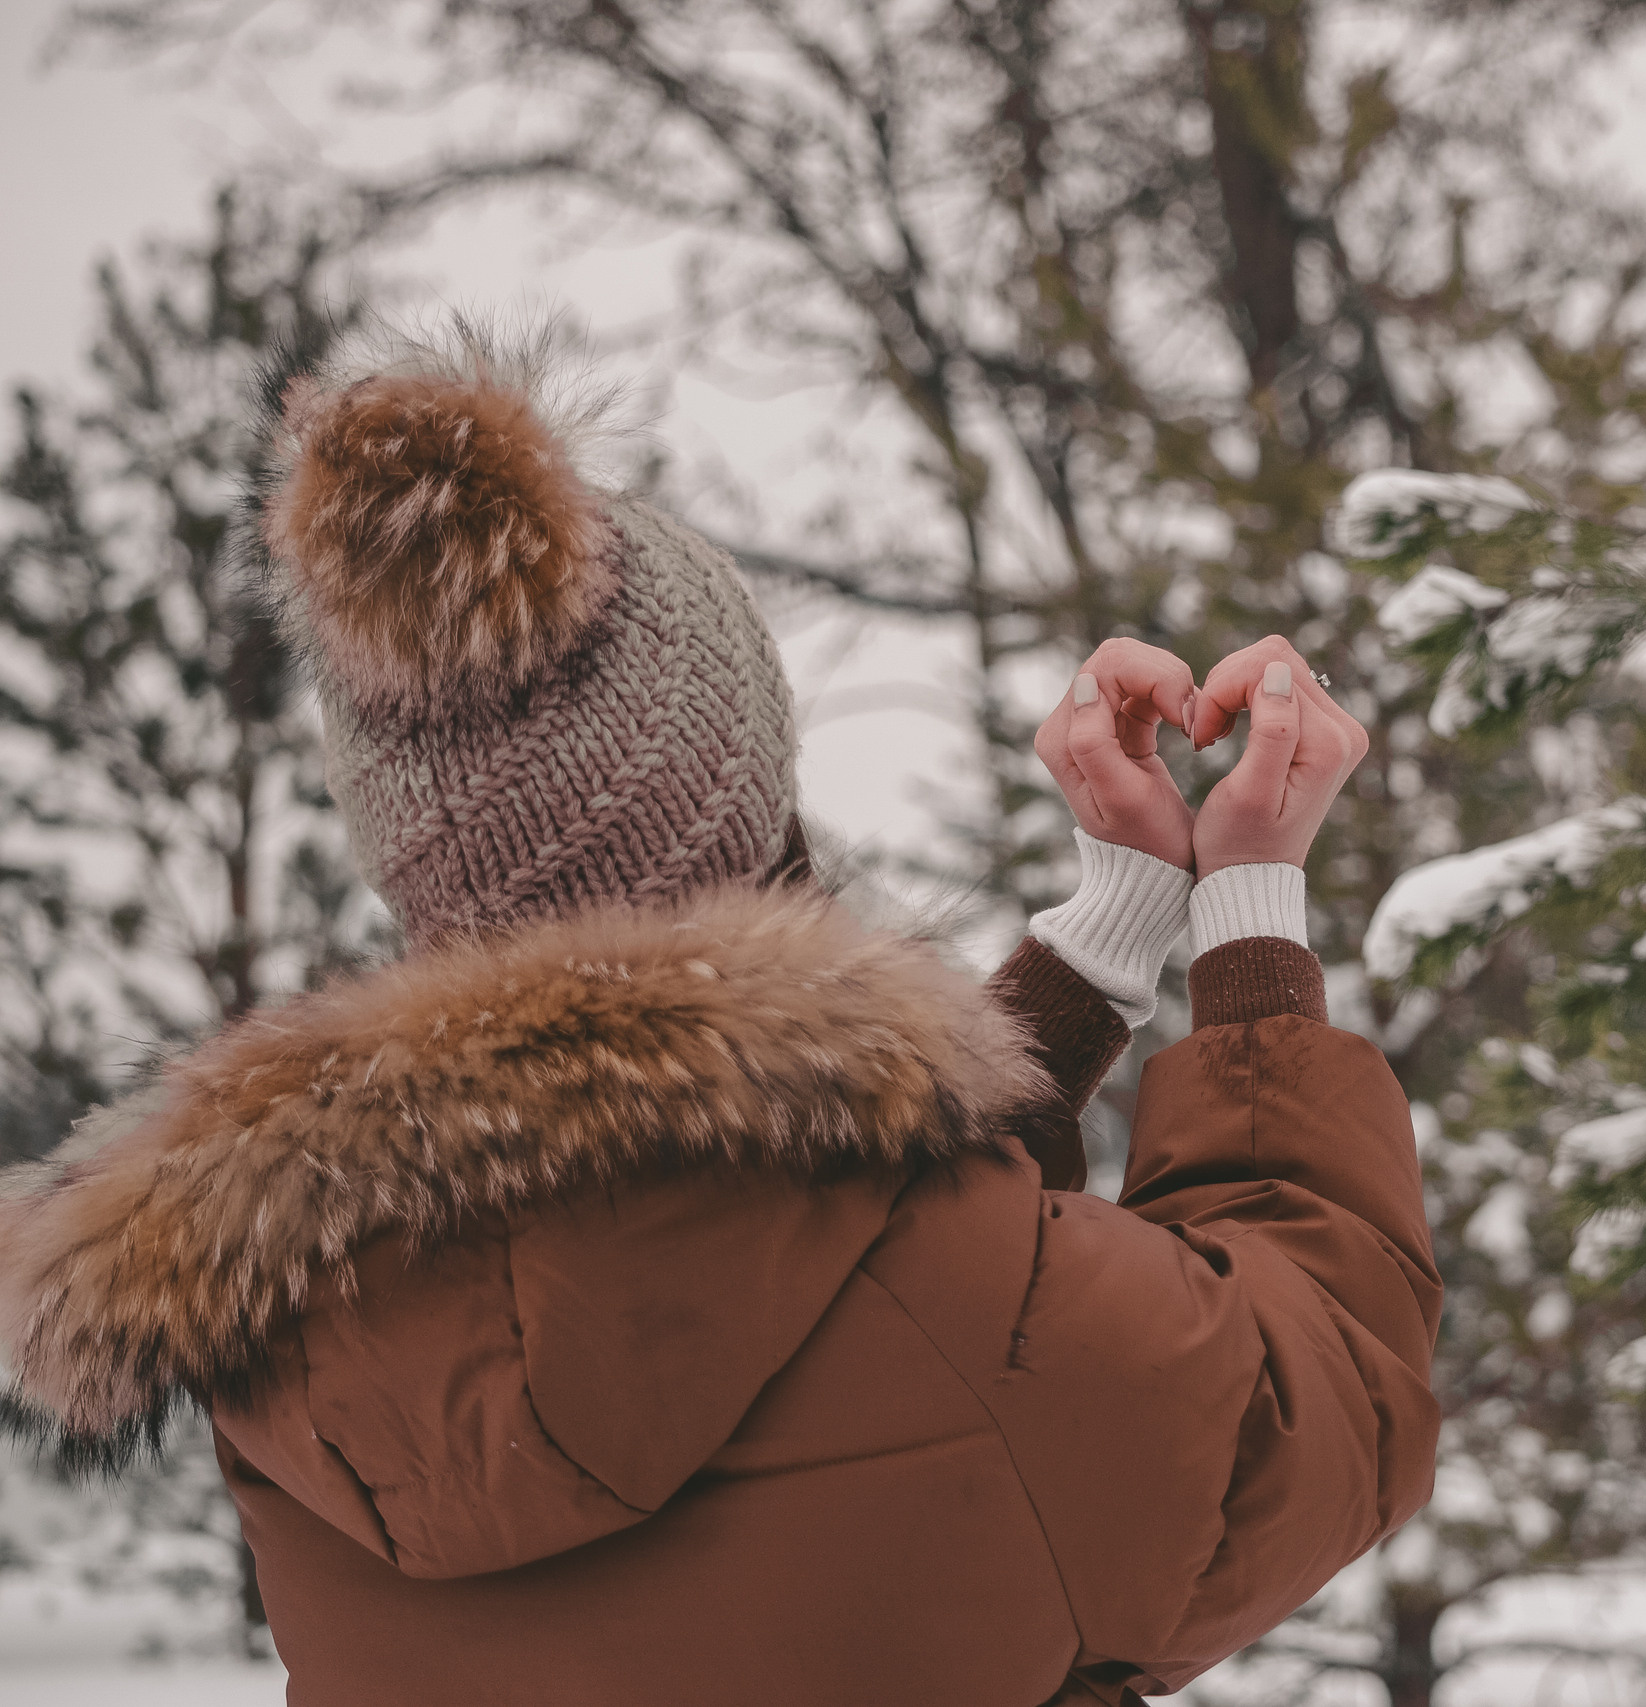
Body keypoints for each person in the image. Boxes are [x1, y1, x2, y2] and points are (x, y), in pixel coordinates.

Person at [0, 328, 1441, 1706]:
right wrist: (1246, 911)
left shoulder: (298, 1330)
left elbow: (800, 1246)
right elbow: (1326, 1397)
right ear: (750, 791)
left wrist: (1105, 936)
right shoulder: (974, 1316)